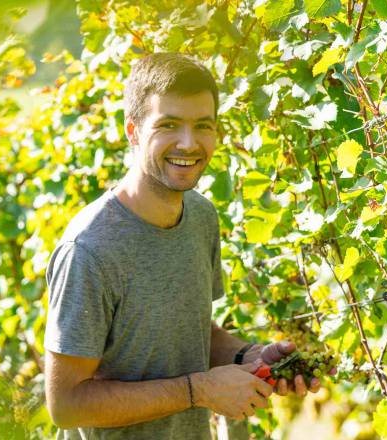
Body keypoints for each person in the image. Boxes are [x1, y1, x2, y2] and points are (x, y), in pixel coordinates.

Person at [43, 52, 329, 439]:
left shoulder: (200, 217)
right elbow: (66, 405)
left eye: (203, 126)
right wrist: (199, 391)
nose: (189, 143)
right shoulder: (90, 250)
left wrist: (250, 355)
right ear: (133, 131)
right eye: (169, 125)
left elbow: (191, 333)